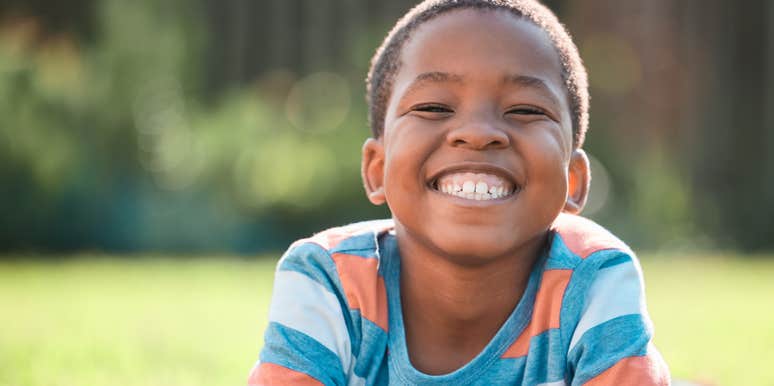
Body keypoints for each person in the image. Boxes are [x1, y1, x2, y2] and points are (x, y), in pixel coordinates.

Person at [249, 0, 670, 384]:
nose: (478, 133)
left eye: (525, 110)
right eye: (434, 107)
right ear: (377, 170)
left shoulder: (594, 279)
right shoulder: (329, 281)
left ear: (573, 180)